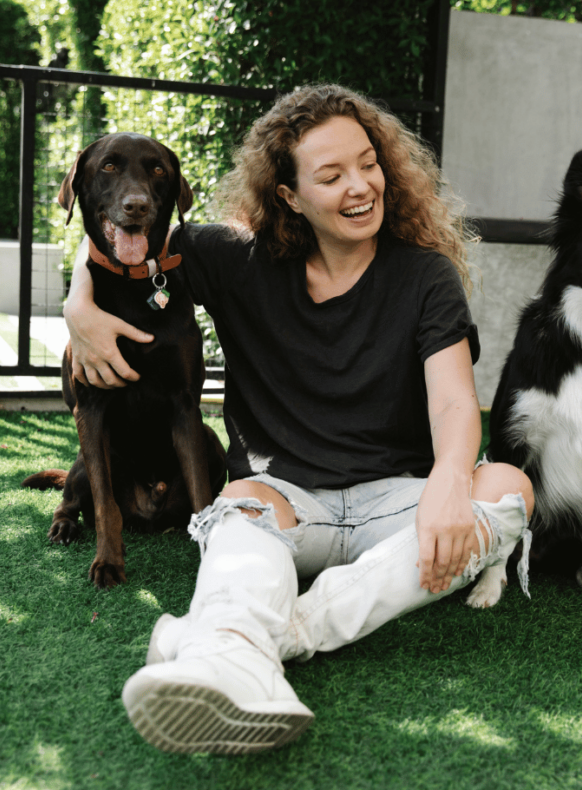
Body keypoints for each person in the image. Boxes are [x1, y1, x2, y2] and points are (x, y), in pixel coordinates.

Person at [63, 84, 535, 754]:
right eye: (331, 175)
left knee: (509, 488)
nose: (360, 186)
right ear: (287, 195)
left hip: (395, 507)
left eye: (368, 163)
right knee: (240, 504)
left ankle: (257, 642)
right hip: (285, 499)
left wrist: (453, 481)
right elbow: (127, 241)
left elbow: (454, 400)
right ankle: (234, 645)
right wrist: (77, 305)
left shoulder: (425, 276)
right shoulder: (236, 258)